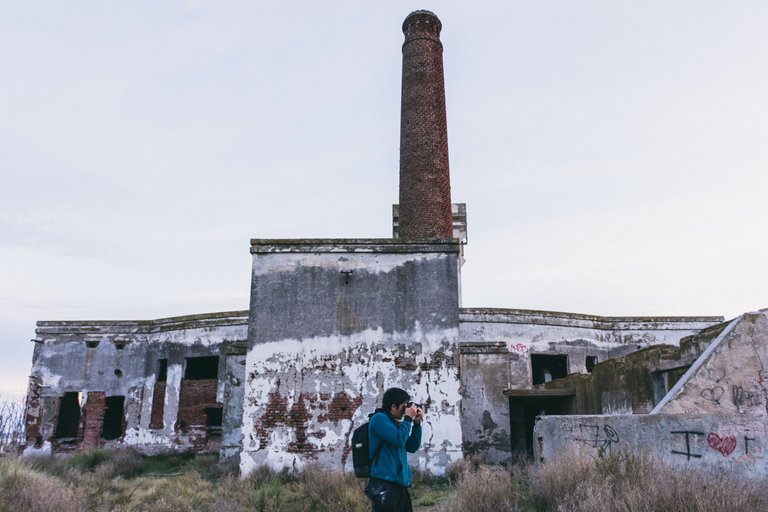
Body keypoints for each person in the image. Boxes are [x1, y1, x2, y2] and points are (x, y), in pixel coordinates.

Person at [364, 387, 424, 512]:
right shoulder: (379, 419)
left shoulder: (395, 423)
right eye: (403, 406)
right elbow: (398, 439)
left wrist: (417, 424)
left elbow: (411, 446)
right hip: (383, 484)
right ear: (393, 407)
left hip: (399, 484)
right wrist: (408, 419)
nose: (405, 411)